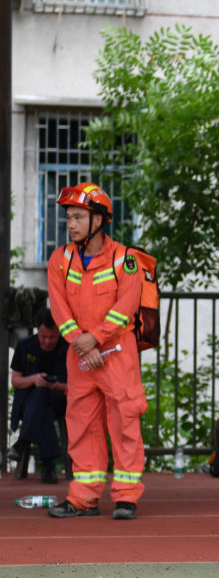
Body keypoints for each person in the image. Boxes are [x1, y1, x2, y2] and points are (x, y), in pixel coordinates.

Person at [45, 182, 148, 520]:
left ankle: (126, 497)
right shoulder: (60, 260)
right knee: (82, 424)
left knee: (124, 423)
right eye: (68, 218)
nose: (70, 224)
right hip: (80, 356)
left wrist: (96, 339)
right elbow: (59, 307)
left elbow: (126, 307)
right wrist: (80, 341)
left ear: (99, 220)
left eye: (77, 217)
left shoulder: (126, 259)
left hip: (118, 353)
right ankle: (83, 496)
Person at [8, 309, 69, 484]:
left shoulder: (67, 348)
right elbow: (16, 381)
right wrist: (34, 380)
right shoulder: (25, 345)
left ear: (59, 333)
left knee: (42, 397)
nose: (48, 341)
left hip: (59, 400)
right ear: (37, 331)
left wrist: (55, 385)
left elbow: (75, 387)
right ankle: (48, 467)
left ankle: (22, 442)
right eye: (43, 337)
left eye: (52, 337)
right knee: (42, 404)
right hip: (29, 402)